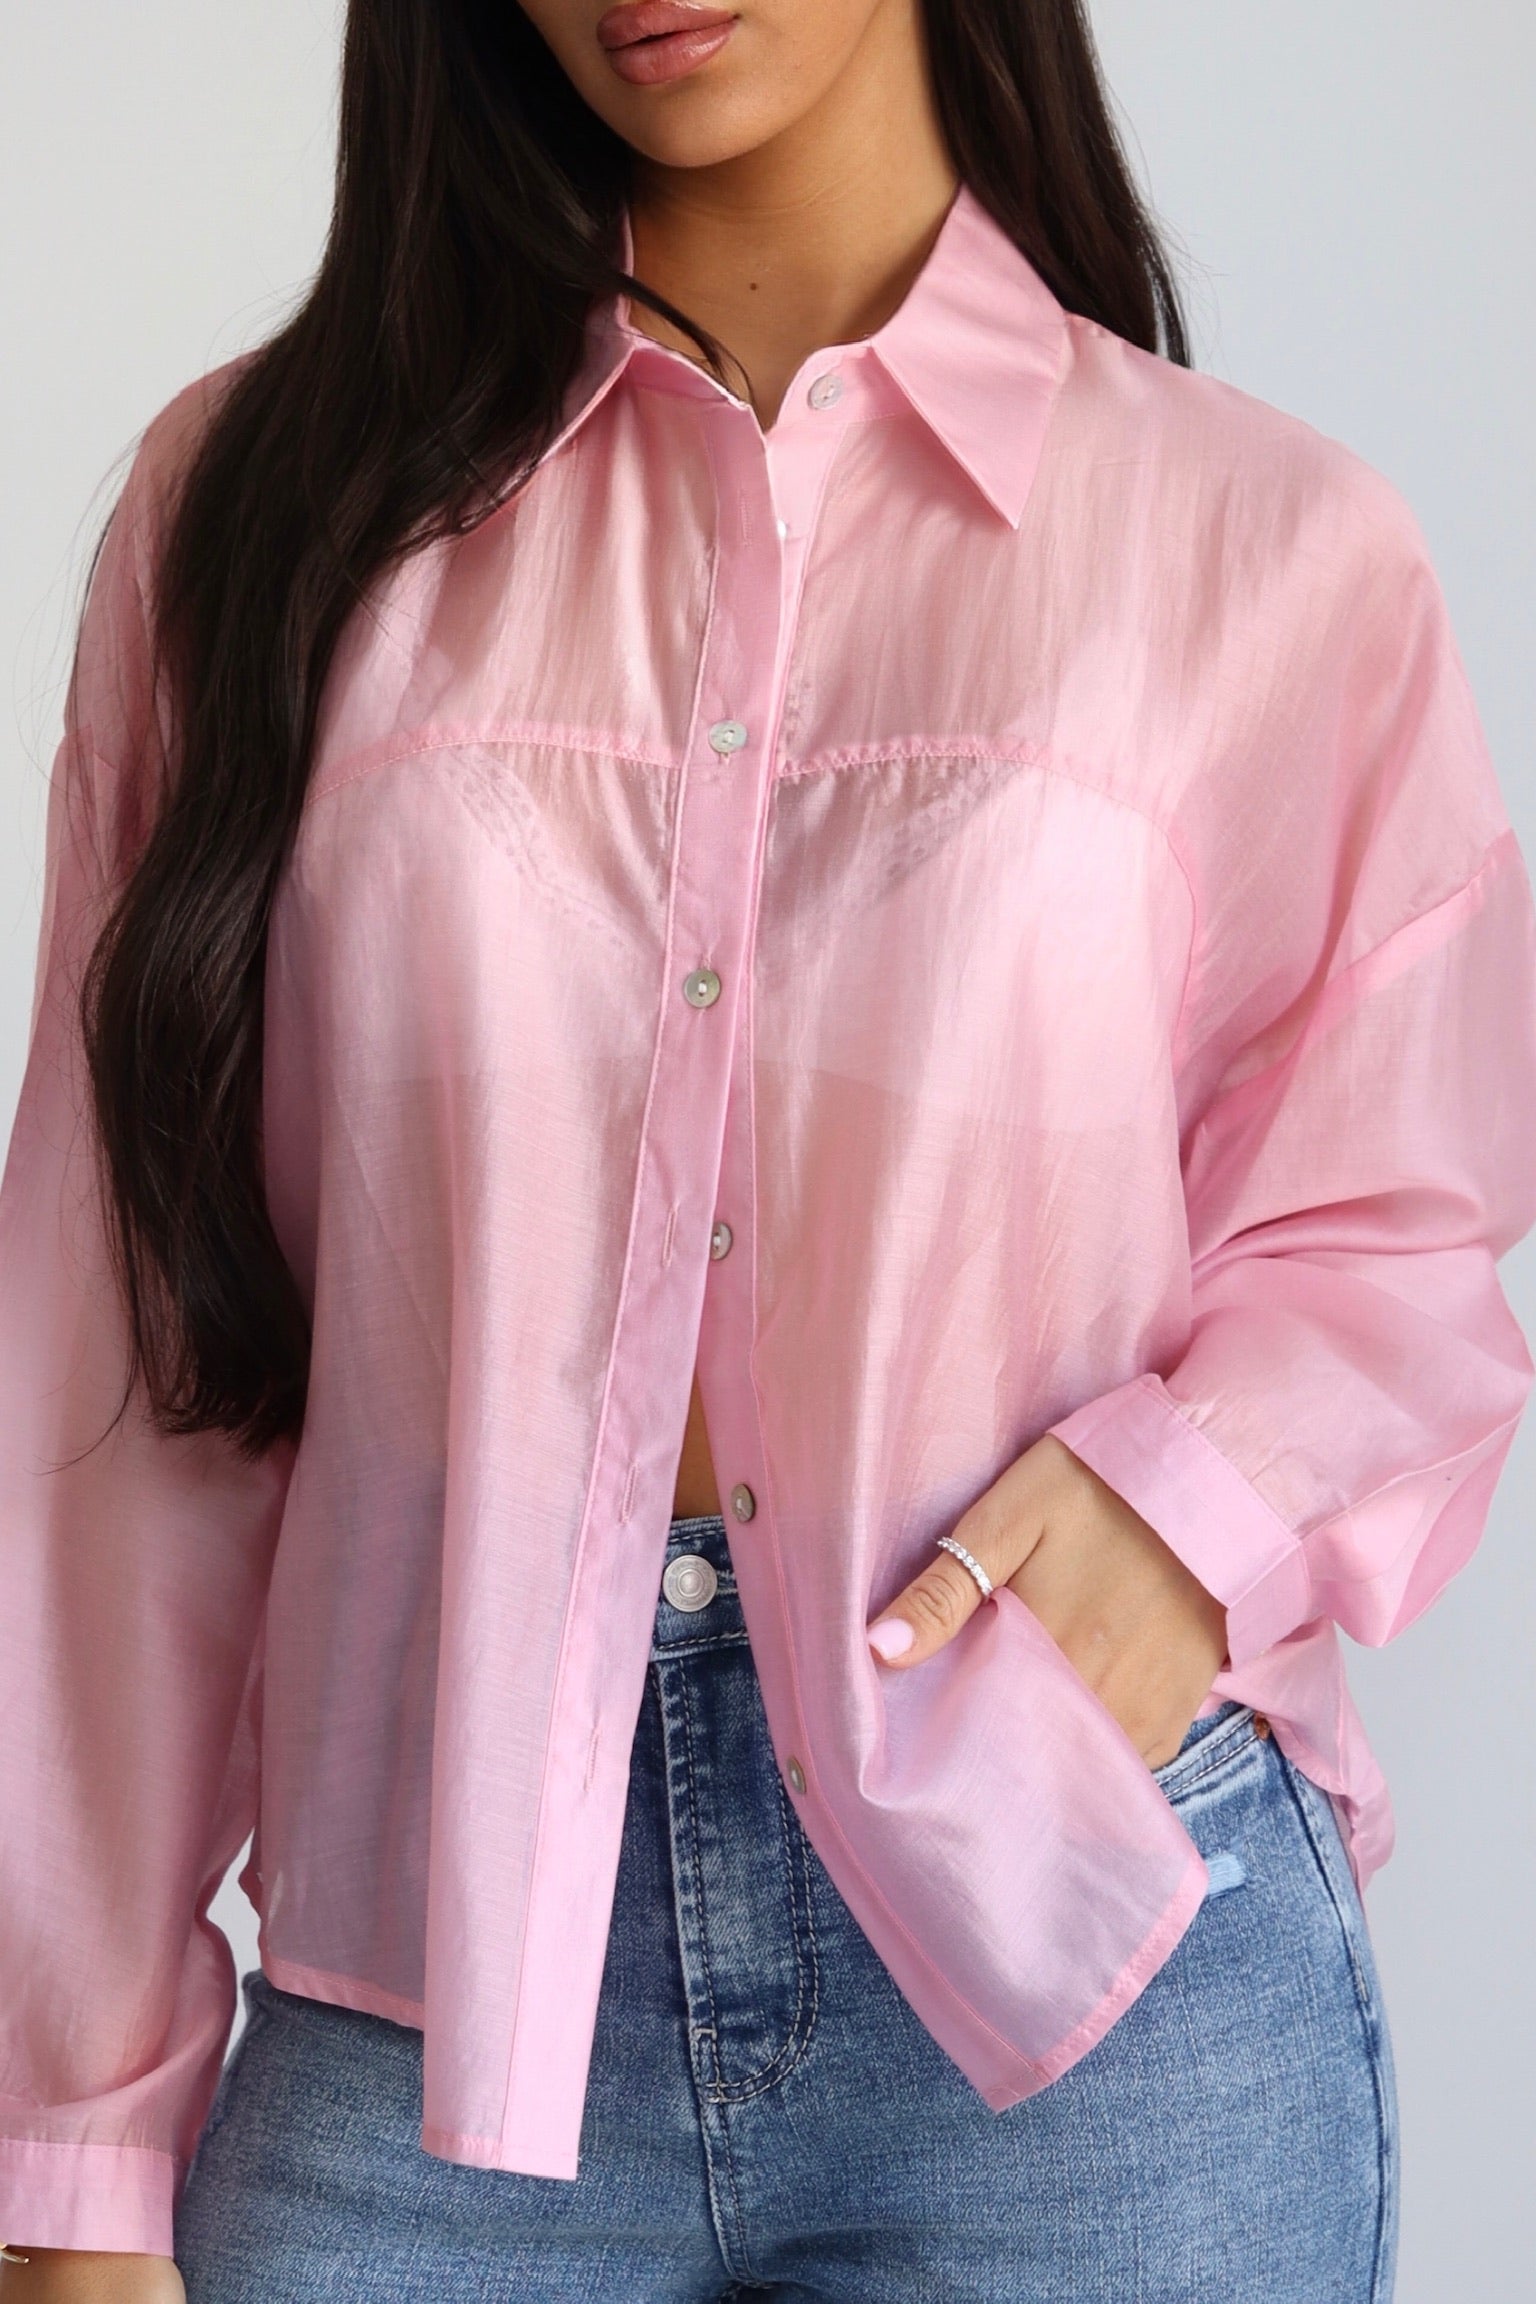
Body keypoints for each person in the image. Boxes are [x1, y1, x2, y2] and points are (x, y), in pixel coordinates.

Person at [3, 2, 1533, 2297]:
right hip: (428, 1992)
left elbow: (1397, 1221)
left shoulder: (1264, 546)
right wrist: (70, 2139)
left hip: (1080, 1967)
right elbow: (109, 1353)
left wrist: (1189, 1514)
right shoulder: (258, 520)